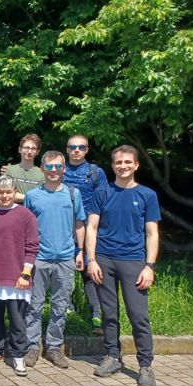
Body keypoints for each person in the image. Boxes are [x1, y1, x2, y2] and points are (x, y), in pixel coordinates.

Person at [86, 145, 160, 386]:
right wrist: (92, 260)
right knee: (109, 313)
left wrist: (149, 266)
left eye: (128, 162)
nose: (123, 166)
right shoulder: (102, 193)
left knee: (138, 316)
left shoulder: (147, 195)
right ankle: (112, 356)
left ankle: (146, 366)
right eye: (118, 162)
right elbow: (92, 228)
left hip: (133, 262)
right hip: (104, 260)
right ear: (113, 165)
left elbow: (151, 233)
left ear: (136, 165)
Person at [23, 150, 86, 369]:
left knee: (60, 306)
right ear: (42, 169)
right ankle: (32, 347)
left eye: (57, 167)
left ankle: (53, 347)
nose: (53, 171)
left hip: (66, 258)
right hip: (39, 258)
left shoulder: (72, 194)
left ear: (63, 169)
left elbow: (79, 223)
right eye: (48, 167)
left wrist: (81, 251)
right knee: (34, 305)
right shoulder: (32, 196)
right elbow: (26, 228)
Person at [0, 176, 39, 377]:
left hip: (17, 278)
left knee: (17, 320)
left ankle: (18, 355)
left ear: (15, 192)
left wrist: (25, 273)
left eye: (8, 192)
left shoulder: (26, 215)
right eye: (1, 192)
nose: (4, 196)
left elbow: (32, 247)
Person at [63, 134, 109, 334]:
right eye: (73, 147)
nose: (76, 150)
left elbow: (105, 201)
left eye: (81, 147)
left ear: (87, 149)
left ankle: (97, 314)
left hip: (90, 228)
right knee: (64, 272)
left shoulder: (96, 172)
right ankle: (66, 310)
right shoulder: (58, 169)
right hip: (63, 227)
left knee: (90, 272)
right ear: (67, 149)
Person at [4, 134, 44, 203]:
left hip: (34, 212)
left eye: (33, 148)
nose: (29, 151)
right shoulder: (10, 170)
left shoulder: (42, 173)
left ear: (37, 152)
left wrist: (18, 196)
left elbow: (43, 197)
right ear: (20, 149)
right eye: (26, 148)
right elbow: (7, 195)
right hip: (14, 211)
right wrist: (31, 198)